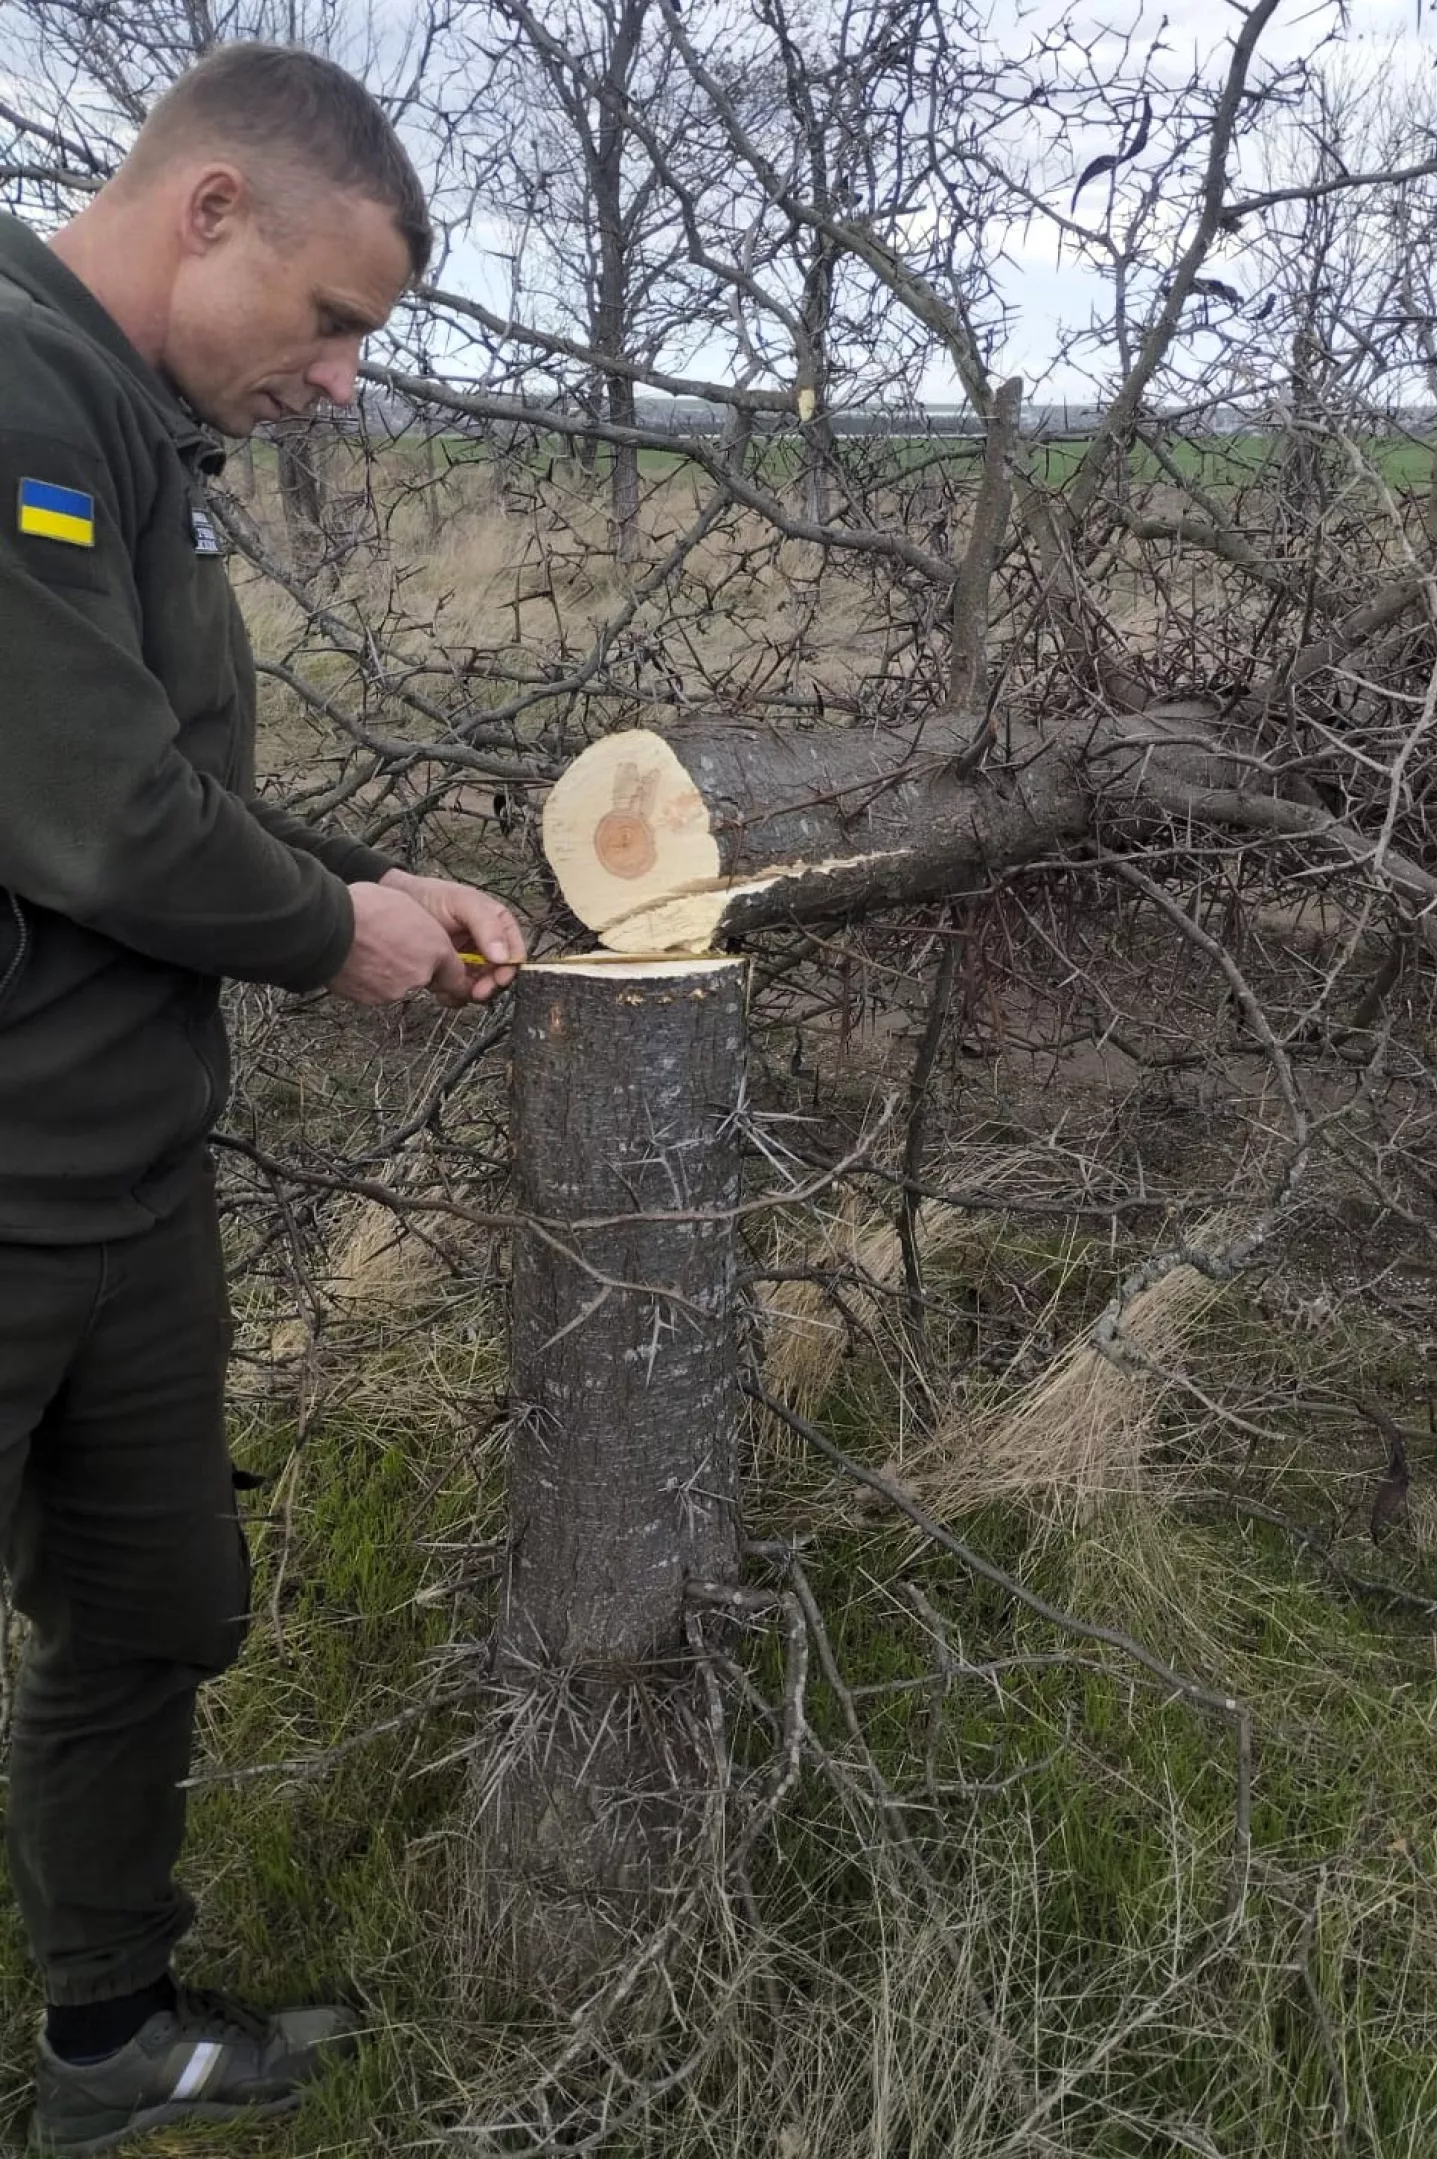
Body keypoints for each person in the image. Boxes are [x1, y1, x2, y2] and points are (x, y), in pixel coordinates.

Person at [0, 43, 527, 2152]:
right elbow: (102, 815)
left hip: (118, 1182)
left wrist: (363, 886)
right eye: (332, 322)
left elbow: (176, 786)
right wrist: (331, 936)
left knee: (156, 1604)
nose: (338, 382)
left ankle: (108, 2037)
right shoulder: (19, 400)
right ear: (208, 209)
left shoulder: (130, 431)